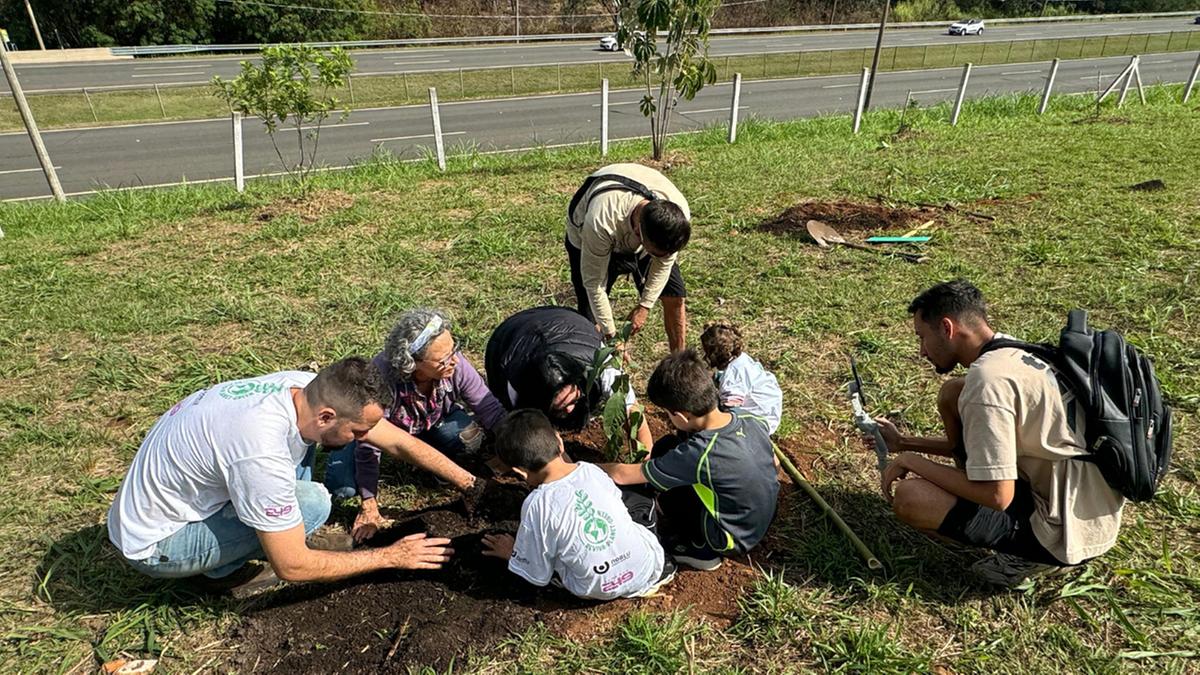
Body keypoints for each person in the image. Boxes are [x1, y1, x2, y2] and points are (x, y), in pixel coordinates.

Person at [107, 358, 454, 597]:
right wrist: (392, 556)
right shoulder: (260, 451)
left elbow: (396, 440)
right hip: (156, 542)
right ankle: (224, 574)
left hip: (183, 495)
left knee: (306, 456)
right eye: (358, 430)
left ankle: (265, 533)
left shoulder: (304, 390)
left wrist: (469, 484)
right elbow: (291, 567)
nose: (364, 438)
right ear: (328, 415)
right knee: (313, 504)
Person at [867, 280, 1125, 588]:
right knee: (953, 391)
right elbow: (989, 448)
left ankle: (1032, 559)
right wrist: (905, 443)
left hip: (1065, 529)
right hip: (1086, 502)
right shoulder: (1013, 352)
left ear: (947, 328)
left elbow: (997, 496)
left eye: (922, 337)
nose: (922, 351)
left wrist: (911, 461)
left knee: (912, 498)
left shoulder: (988, 383)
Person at [327, 308, 505, 542]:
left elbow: (489, 408)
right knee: (343, 490)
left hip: (430, 421)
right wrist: (369, 503)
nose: (454, 360)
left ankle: (425, 459)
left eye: (455, 349)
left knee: (466, 438)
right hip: (370, 433)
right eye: (442, 360)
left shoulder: (455, 364)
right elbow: (370, 447)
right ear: (413, 364)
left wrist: (520, 447)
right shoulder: (382, 380)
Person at [600, 350, 780, 571]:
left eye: (668, 414)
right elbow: (774, 464)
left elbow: (623, 475)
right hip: (762, 518)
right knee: (672, 448)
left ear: (682, 415)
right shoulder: (749, 418)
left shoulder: (699, 452)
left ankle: (700, 549)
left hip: (730, 539)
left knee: (664, 455)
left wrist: (579, 468)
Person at [481, 409, 675, 600]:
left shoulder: (536, 504)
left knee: (552, 557)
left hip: (597, 588)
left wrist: (512, 553)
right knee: (635, 506)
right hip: (646, 567)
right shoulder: (592, 471)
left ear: (520, 471)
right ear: (560, 442)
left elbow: (536, 572)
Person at [484, 305, 652, 449]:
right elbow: (534, 432)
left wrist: (644, 459)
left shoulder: (602, 363)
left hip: (567, 321)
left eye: (573, 399)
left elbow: (632, 411)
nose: (570, 408)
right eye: (559, 405)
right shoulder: (517, 383)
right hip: (508, 337)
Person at [566, 163, 692, 352]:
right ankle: (596, 367)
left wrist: (645, 306)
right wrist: (613, 336)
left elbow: (664, 264)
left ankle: (679, 364)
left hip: (644, 226)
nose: (662, 259)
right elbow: (594, 284)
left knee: (675, 295)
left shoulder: (677, 215)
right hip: (587, 233)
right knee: (590, 315)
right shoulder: (601, 221)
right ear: (639, 234)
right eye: (655, 255)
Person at [699, 321, 783, 435]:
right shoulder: (742, 358)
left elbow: (731, 408)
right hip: (770, 409)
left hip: (758, 421)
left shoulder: (732, 376)